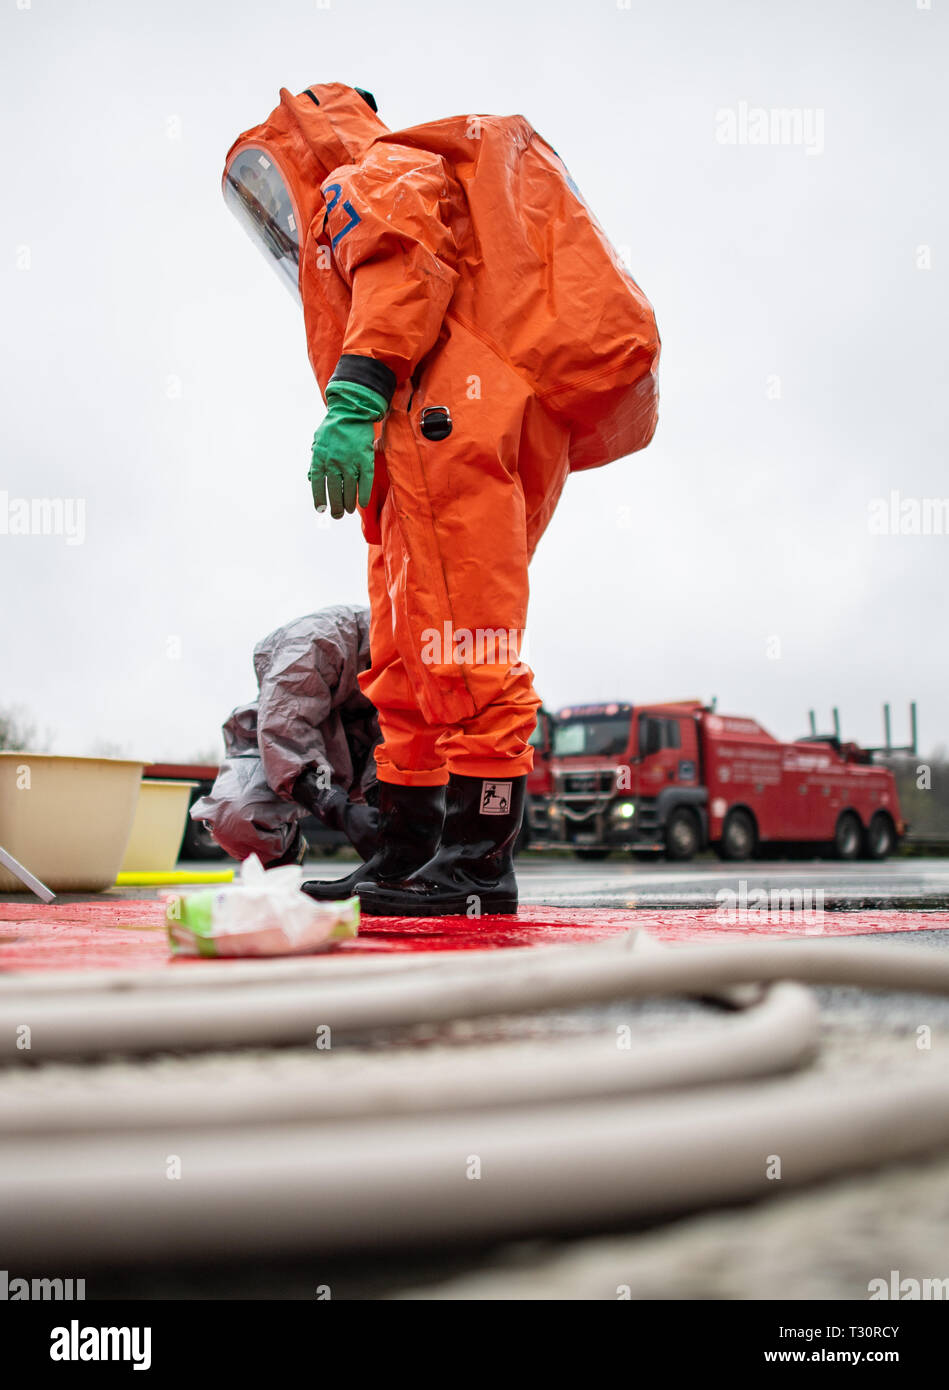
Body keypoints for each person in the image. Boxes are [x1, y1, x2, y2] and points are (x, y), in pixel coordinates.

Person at [222, 83, 660, 915]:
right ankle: (411, 850)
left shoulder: (371, 174)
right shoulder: (380, 179)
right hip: (425, 431)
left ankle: (476, 863)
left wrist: (356, 395)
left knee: (467, 640)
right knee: (405, 656)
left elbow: (401, 270)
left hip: (444, 422)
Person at [190, 606, 380, 874]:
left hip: (361, 761)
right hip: (280, 753)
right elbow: (287, 732)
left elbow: (401, 739)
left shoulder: (419, 666)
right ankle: (281, 861)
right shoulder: (315, 639)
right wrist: (336, 807)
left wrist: (386, 810)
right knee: (234, 815)